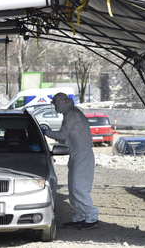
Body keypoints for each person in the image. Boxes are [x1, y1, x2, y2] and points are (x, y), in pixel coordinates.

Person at [41, 92, 99, 230]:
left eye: (55, 104)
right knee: (73, 189)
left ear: (60, 103)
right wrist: (50, 133)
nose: (55, 107)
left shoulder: (72, 115)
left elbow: (61, 134)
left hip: (82, 155)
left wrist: (45, 132)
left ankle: (92, 217)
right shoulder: (70, 114)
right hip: (76, 155)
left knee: (79, 188)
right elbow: (64, 138)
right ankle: (79, 216)